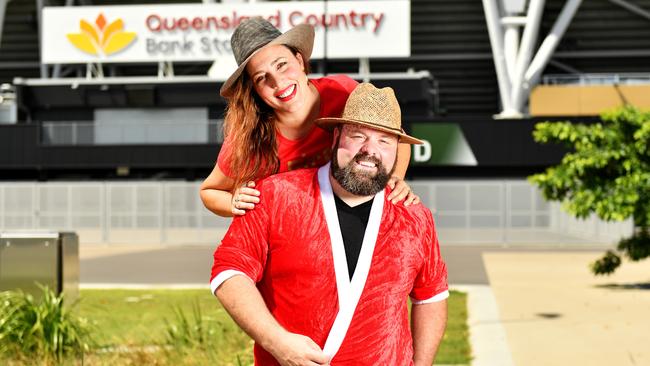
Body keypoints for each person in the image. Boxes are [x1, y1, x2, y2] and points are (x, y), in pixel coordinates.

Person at [211, 83, 448, 366]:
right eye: (358, 135)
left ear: (397, 151)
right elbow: (229, 271)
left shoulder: (414, 217)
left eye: (384, 141)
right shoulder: (276, 195)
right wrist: (276, 341)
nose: (369, 150)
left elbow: (431, 296)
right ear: (336, 137)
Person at [199, 17, 418, 217]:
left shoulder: (343, 92)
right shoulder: (249, 134)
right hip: (293, 232)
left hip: (348, 219)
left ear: (300, 60)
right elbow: (209, 191)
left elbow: (398, 141)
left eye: (282, 65)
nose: (278, 82)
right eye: (262, 78)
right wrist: (233, 202)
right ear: (254, 90)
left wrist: (393, 180)